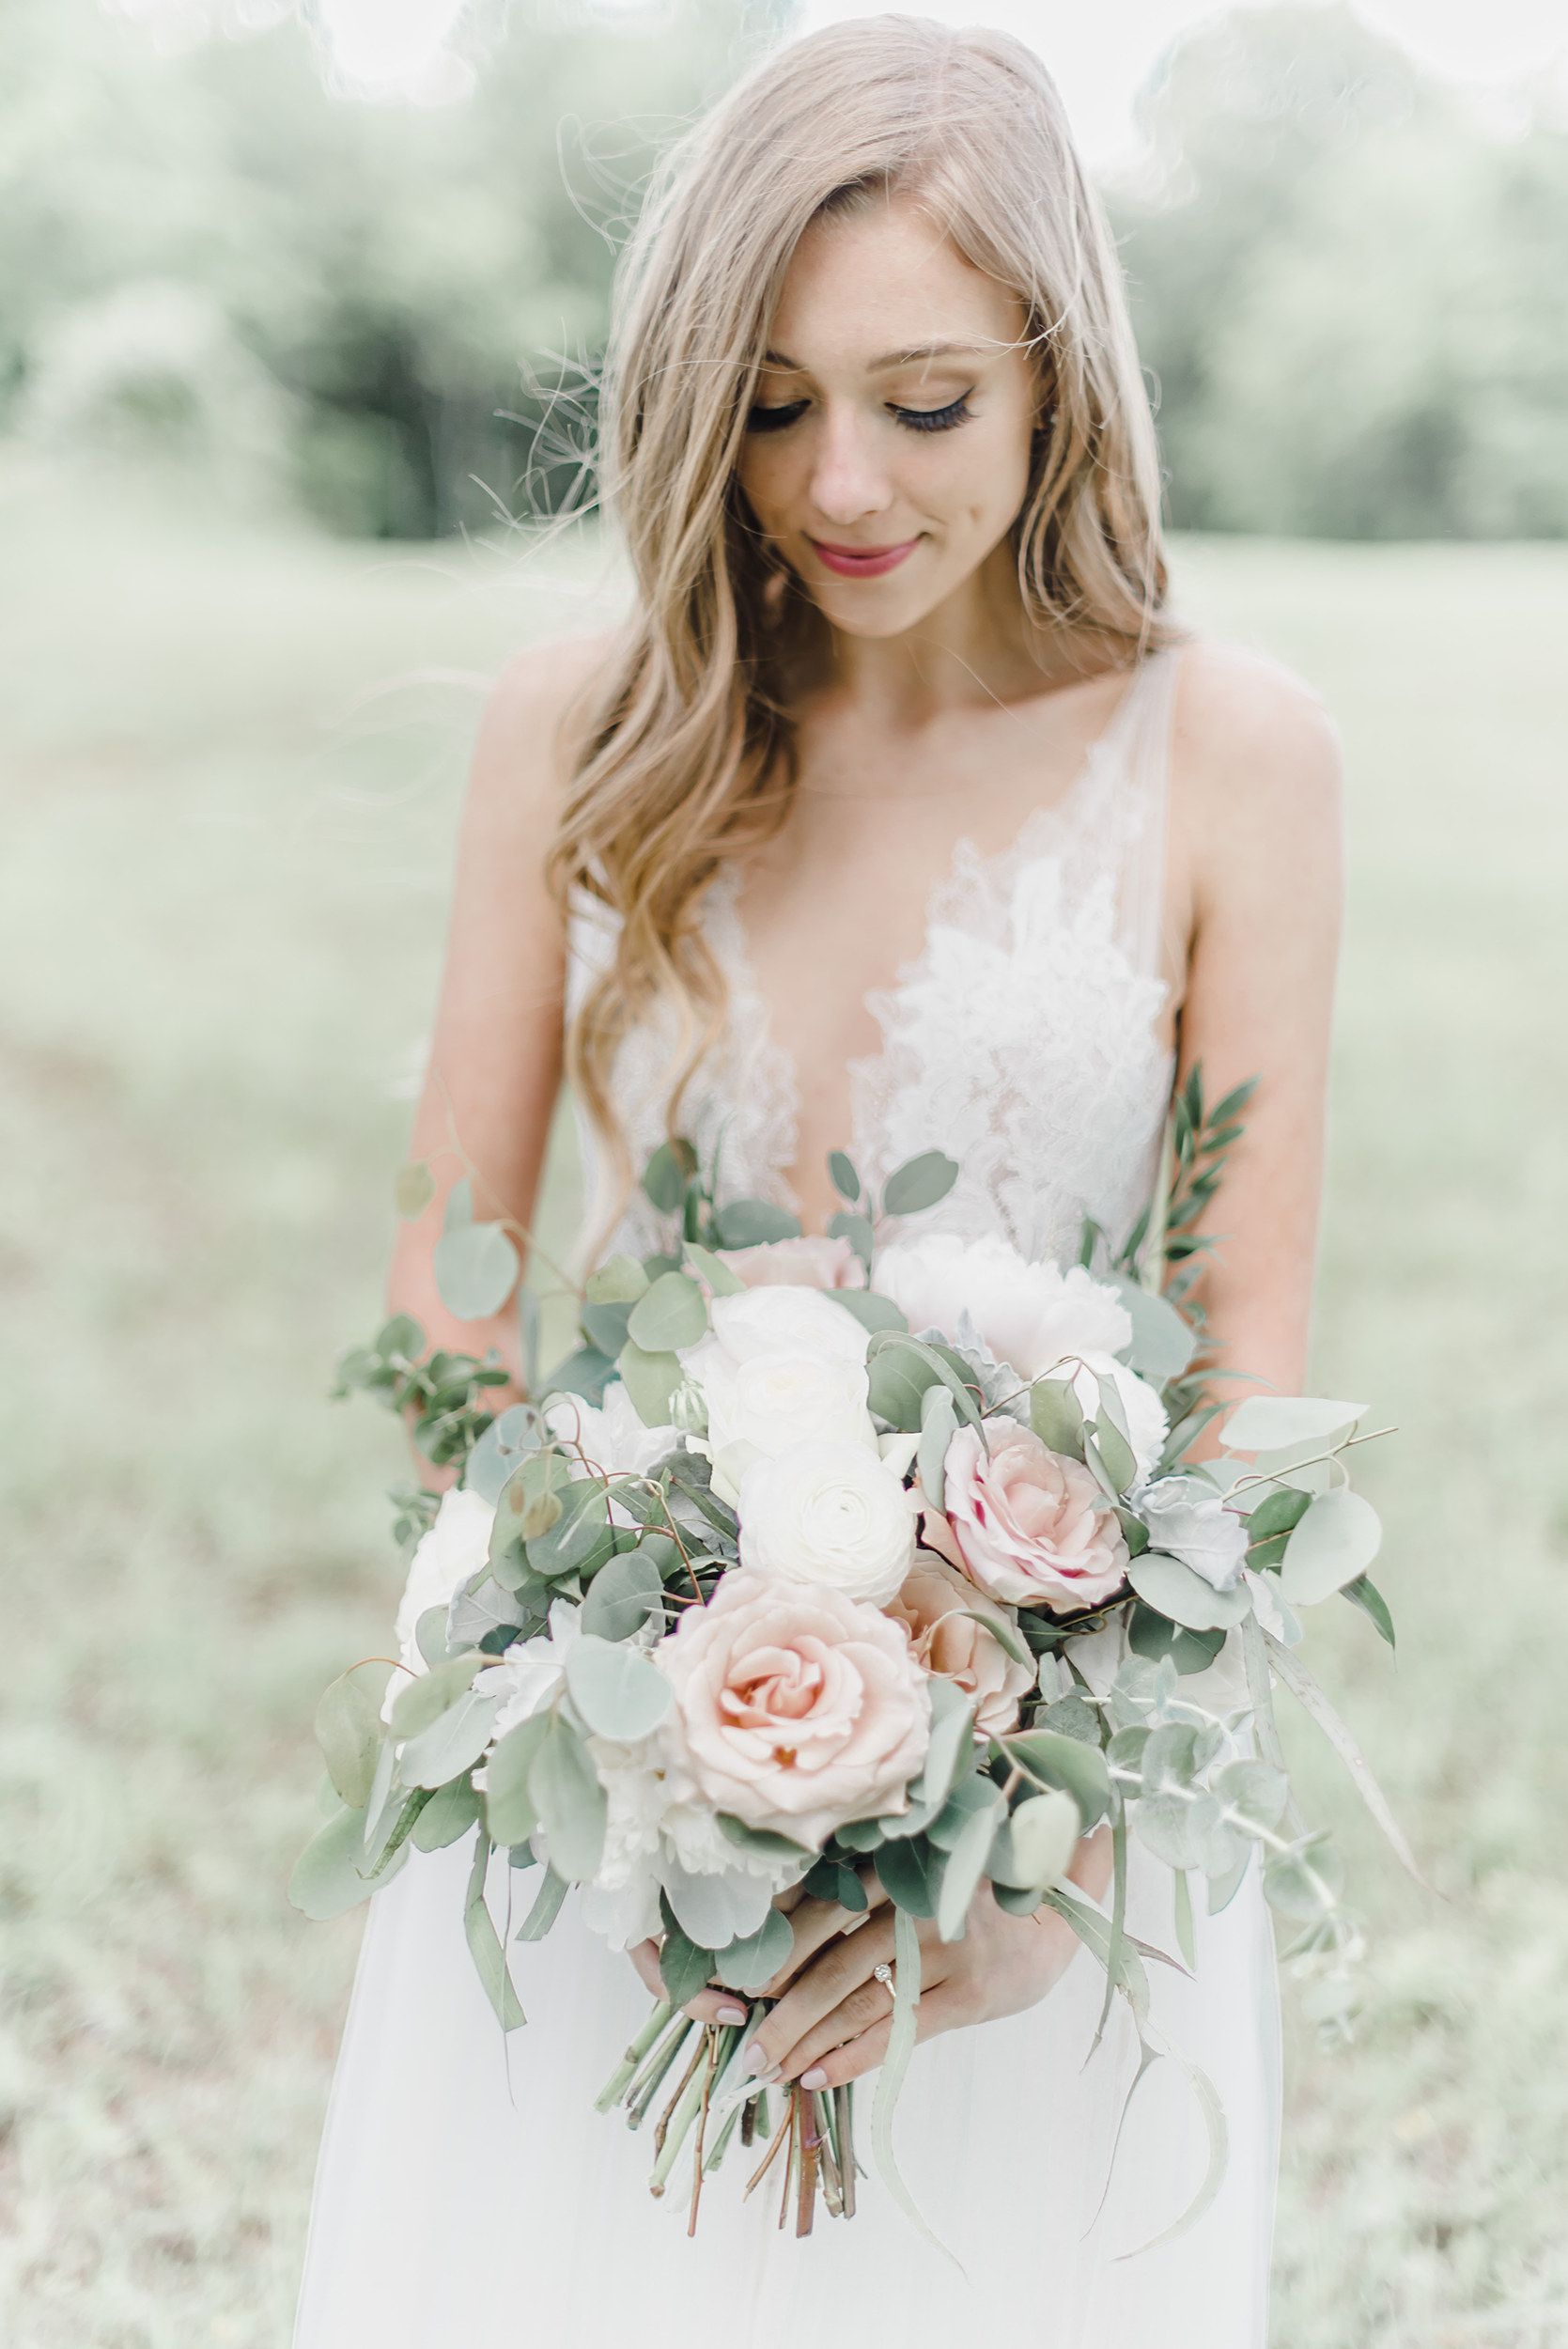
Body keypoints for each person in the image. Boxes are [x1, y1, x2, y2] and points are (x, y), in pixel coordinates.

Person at [292, 18, 1343, 2347]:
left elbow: (1245, 1363)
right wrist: (628, 1714)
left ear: (1057, 373)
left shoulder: (1233, 757)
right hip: (634, 1794)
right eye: (767, 401)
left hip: (1052, 1812)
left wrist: (1046, 1860)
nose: (839, 479)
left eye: (923, 400)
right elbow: (455, 1285)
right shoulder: (583, 728)